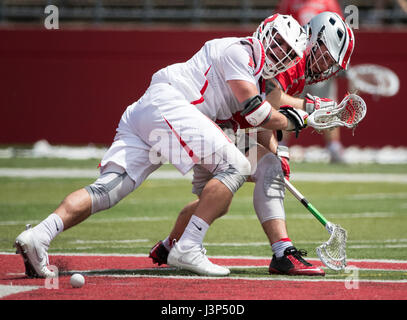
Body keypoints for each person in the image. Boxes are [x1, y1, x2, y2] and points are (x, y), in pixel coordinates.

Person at [14, 14, 308, 278]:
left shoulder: (254, 71)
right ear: (265, 31)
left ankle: (40, 234)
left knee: (107, 190)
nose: (280, 52)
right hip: (169, 104)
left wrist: (289, 121)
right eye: (279, 42)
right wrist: (296, 120)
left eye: (288, 52)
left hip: (150, 111)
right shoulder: (241, 51)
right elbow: (257, 113)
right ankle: (188, 247)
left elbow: (246, 116)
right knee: (236, 167)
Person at [150, 12, 355, 276]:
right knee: (266, 169)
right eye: (326, 56)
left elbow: (264, 109)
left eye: (331, 63)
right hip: (212, 124)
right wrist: (305, 112)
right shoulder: (292, 56)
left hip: (223, 125)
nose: (327, 66)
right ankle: (283, 253)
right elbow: (266, 104)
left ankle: (170, 246)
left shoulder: (299, 65)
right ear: (314, 39)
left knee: (216, 202)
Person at [276, 0, 347, 162]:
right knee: (288, 104)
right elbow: (282, 24)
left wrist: (334, 61)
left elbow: (340, 32)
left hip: (322, 63)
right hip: (296, 60)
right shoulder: (289, 2)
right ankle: (281, 145)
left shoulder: (328, 2)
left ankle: (334, 146)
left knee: (327, 104)